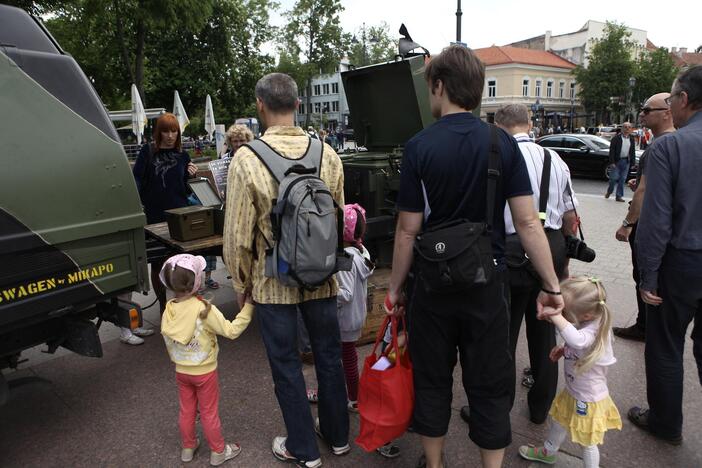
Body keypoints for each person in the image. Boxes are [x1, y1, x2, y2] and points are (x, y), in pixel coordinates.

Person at [384, 46, 563, 468]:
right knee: (489, 381)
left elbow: (408, 229)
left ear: (440, 86)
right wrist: (551, 285)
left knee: (432, 379)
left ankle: (434, 463)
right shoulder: (501, 143)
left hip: (432, 284)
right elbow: (528, 224)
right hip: (488, 283)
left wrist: (395, 290)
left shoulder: (419, 146)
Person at [223, 73, 348, 468]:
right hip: (322, 276)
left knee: (286, 364)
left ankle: (303, 448)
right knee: (329, 356)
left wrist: (240, 283)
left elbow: (238, 235)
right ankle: (338, 435)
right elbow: (339, 218)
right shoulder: (327, 153)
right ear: (297, 105)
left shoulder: (247, 159)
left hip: (272, 281)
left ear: (260, 105)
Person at [492, 104, 578, 425]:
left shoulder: (498, 157)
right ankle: (541, 408)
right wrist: (562, 266)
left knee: (505, 333)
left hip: (511, 249)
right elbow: (570, 218)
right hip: (551, 246)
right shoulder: (554, 159)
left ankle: (499, 408)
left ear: (499, 126)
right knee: (545, 333)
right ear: (529, 123)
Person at [630, 65, 702, 445]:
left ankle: (665, 422)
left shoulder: (669, 146)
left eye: (671, 98)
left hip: (683, 261)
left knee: (666, 344)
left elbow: (656, 221)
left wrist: (649, 275)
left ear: (684, 99)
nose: (671, 105)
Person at [518, 277, 622, 468]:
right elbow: (578, 345)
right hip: (574, 392)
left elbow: (579, 341)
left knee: (587, 443)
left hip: (587, 400)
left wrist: (556, 317)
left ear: (587, 316)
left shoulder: (593, 330)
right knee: (560, 421)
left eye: (565, 313)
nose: (563, 315)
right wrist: (564, 350)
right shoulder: (591, 321)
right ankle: (548, 451)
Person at [159, 254, 253, 465]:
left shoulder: (169, 310)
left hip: (181, 371)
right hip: (204, 371)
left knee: (187, 410)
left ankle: (188, 448)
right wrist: (248, 308)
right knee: (209, 412)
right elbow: (230, 331)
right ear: (197, 281)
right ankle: (218, 452)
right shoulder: (203, 309)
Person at [128, 113, 197, 345]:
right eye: (166, 131)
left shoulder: (183, 155)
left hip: (178, 217)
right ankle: (162, 308)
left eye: (174, 131)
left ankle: (182, 311)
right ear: (158, 132)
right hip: (154, 217)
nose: (170, 136)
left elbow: (186, 191)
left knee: (180, 265)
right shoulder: (148, 152)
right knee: (158, 264)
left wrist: (190, 178)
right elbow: (137, 181)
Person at [613, 93, 675, 342]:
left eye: (647, 109)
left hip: (647, 224)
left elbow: (644, 191)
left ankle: (644, 326)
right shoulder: (676, 142)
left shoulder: (659, 145)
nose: (642, 113)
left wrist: (627, 223)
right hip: (667, 224)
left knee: (643, 274)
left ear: (667, 112)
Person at [605, 122, 635, 202]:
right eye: (625, 127)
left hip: (626, 161)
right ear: (622, 129)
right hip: (616, 161)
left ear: (631, 129)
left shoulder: (631, 139)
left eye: (629, 127)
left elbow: (632, 151)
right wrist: (612, 162)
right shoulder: (616, 138)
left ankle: (619, 196)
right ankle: (609, 191)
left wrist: (633, 163)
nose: (627, 129)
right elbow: (612, 151)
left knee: (622, 179)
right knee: (613, 179)